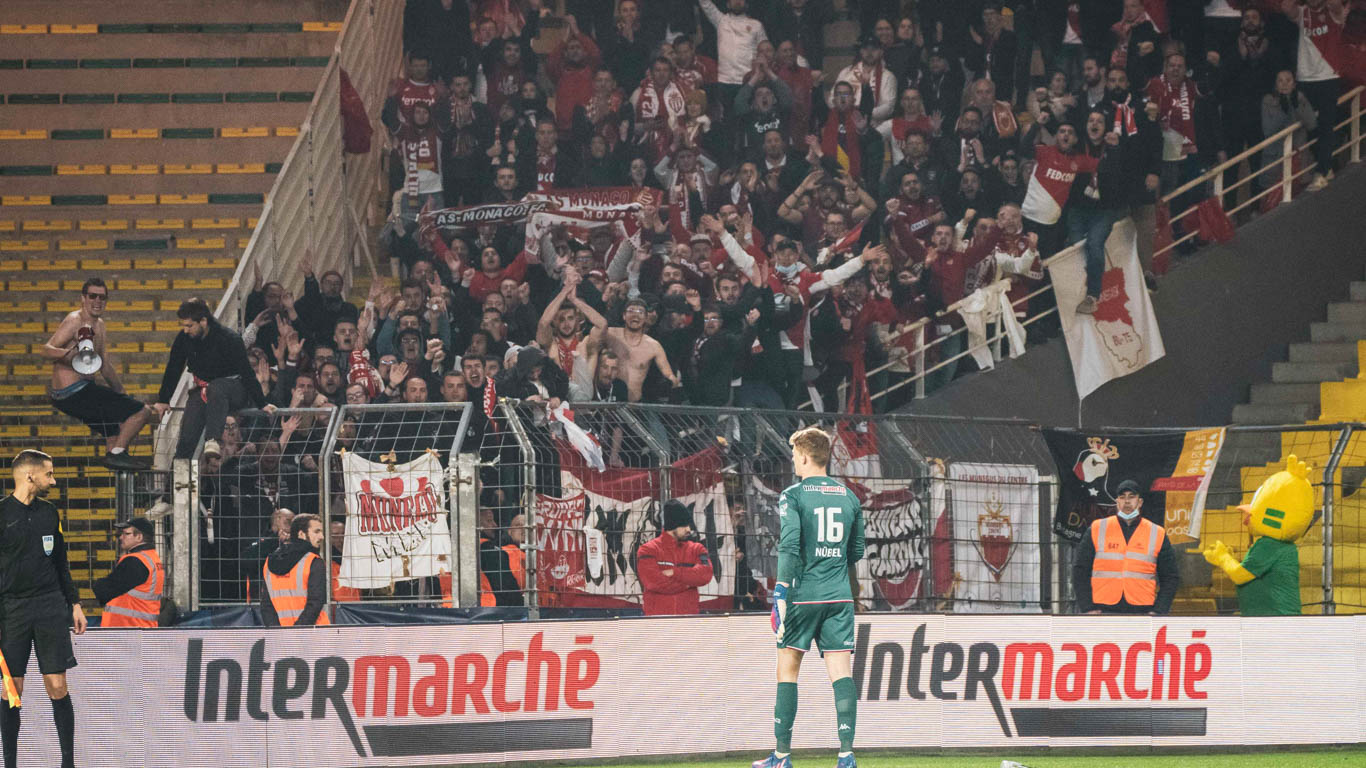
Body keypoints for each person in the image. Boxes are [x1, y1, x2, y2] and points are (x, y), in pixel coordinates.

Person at [754, 427, 864, 768]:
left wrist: (780, 593)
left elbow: (788, 546)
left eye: (793, 455)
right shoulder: (850, 497)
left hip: (803, 596)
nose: (792, 461)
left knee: (787, 672)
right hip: (840, 598)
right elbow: (856, 551)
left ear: (803, 456)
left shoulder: (793, 495)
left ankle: (782, 756)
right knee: (842, 675)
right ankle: (846, 754)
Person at [0, 450, 86, 768]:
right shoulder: (2, 513)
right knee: (12, 690)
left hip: (49, 606)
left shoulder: (50, 513)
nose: (54, 480)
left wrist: (74, 603)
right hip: (12, 609)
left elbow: (61, 563)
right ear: (30, 475)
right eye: (49, 474)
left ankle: (68, 762)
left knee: (57, 685)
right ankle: (10, 763)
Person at [42, 278, 153, 470]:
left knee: (114, 430)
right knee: (142, 411)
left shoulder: (100, 325)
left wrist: (122, 394)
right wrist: (69, 355)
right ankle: (117, 455)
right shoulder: (75, 320)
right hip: (72, 392)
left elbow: (105, 366)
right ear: (83, 298)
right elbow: (45, 350)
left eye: (102, 297)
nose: (97, 301)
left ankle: (117, 466)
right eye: (93, 296)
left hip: (83, 391)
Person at [155, 298, 268, 459]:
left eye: (189, 326)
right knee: (186, 441)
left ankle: (213, 440)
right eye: (183, 326)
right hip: (204, 389)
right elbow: (174, 367)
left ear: (203, 321)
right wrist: (163, 399)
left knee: (217, 387)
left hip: (234, 388)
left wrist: (262, 403)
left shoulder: (229, 338)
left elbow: (247, 373)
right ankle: (180, 475)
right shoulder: (184, 338)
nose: (185, 330)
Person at [1072, 479, 1179, 615]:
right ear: (1117, 502)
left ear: (1140, 502)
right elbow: (1080, 570)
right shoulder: (1097, 529)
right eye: (1122, 497)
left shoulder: (1157, 533)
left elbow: (1170, 576)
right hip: (1103, 610)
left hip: (1142, 611)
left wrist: (1158, 610)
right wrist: (1088, 607)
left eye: (1131, 497)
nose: (1127, 501)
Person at [636, 500, 714, 616]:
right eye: (684, 525)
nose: (689, 530)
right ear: (672, 525)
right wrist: (688, 584)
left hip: (688, 619)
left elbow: (705, 574)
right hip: (657, 619)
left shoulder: (697, 549)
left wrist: (675, 572)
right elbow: (653, 582)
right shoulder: (648, 550)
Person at [260, 513, 330, 627]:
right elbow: (315, 603)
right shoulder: (313, 561)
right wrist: (296, 632)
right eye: (316, 532)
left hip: (283, 633)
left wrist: (278, 632)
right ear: (301, 534)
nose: (322, 536)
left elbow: (266, 606)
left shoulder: (269, 563)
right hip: (315, 633)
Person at [92, 517, 163, 628]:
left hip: (127, 628)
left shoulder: (135, 561)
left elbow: (104, 591)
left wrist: (97, 584)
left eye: (126, 534)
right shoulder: (152, 558)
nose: (121, 537)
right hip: (141, 627)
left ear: (139, 537)